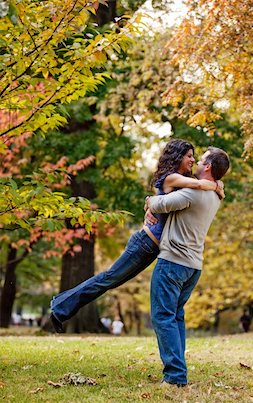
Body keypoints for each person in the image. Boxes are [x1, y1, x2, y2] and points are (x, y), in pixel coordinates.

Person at [50, 139, 224, 333]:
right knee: (109, 278)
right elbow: (201, 185)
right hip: (144, 243)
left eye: (194, 156)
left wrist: (149, 202)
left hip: (153, 248)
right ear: (177, 157)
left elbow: (189, 190)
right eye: (189, 156)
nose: (192, 160)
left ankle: (60, 303)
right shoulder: (171, 178)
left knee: (112, 280)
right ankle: (60, 308)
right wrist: (216, 186)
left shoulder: (185, 180)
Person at [146, 146, 230, 387]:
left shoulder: (192, 194)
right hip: (193, 266)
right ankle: (177, 370)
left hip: (173, 262)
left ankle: (174, 376)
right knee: (176, 317)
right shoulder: (215, 195)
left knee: (163, 317)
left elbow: (158, 205)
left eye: (201, 160)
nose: (196, 162)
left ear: (208, 167)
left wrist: (149, 200)